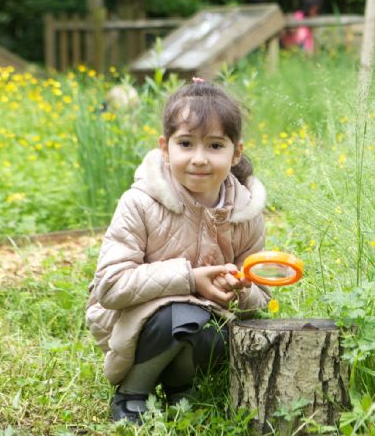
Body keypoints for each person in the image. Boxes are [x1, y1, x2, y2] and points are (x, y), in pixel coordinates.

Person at [85, 79, 269, 424]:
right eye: (186, 143)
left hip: (206, 323)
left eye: (215, 145)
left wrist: (241, 288)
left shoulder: (245, 213)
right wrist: (190, 279)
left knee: (205, 325)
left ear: (236, 153)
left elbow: (261, 297)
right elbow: (109, 286)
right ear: (165, 148)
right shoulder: (140, 202)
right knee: (180, 315)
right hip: (136, 325)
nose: (199, 159)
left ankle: (180, 388)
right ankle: (132, 393)